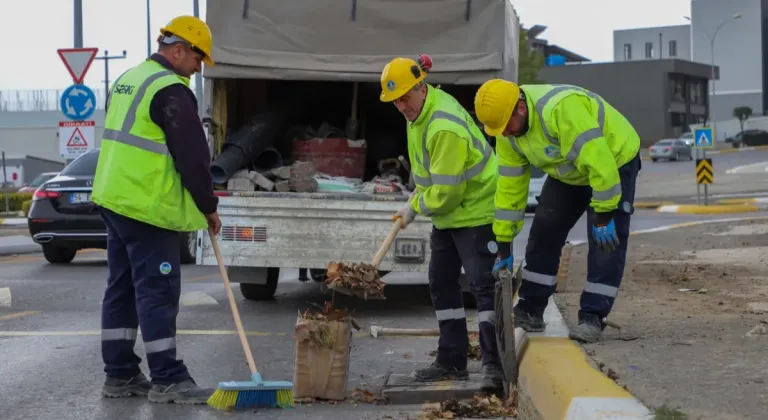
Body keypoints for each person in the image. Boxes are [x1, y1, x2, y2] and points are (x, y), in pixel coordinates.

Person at [91, 15, 222, 404]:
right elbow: (193, 157)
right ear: (178, 50)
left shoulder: (129, 79)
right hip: (146, 206)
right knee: (157, 290)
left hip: (115, 200)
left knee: (122, 289)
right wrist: (208, 206)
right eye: (198, 59)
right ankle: (167, 377)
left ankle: (120, 375)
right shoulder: (170, 90)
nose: (199, 68)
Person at [473, 80, 642, 344]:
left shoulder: (561, 110)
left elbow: (601, 164)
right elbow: (509, 190)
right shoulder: (507, 134)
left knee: (605, 241)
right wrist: (503, 245)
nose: (504, 133)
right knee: (544, 229)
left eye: (506, 125)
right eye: (498, 129)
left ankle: (592, 317)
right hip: (569, 170)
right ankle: (531, 308)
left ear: (520, 107)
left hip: (614, 159)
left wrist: (605, 214)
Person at [380, 55, 504, 391]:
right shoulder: (419, 113)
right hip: (451, 215)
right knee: (441, 281)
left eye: (405, 97)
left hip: (477, 211)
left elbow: (447, 192)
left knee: (482, 286)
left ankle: (495, 366)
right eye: (395, 101)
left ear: (421, 87)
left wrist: (415, 206)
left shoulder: (443, 126)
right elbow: (430, 173)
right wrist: (414, 200)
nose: (402, 106)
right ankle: (452, 361)